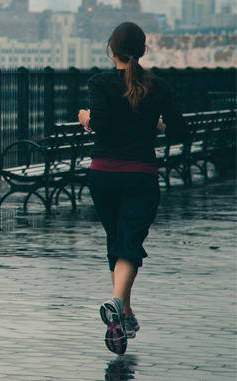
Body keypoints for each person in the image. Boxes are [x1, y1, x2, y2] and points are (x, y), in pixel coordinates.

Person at [77, 21, 188, 355]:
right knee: (129, 242)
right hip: (141, 176)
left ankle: (123, 314)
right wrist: (154, 121)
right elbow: (179, 133)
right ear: (142, 50)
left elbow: (103, 124)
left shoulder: (99, 82)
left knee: (118, 241)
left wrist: (85, 117)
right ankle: (119, 307)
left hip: (104, 174)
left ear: (112, 50)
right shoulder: (159, 87)